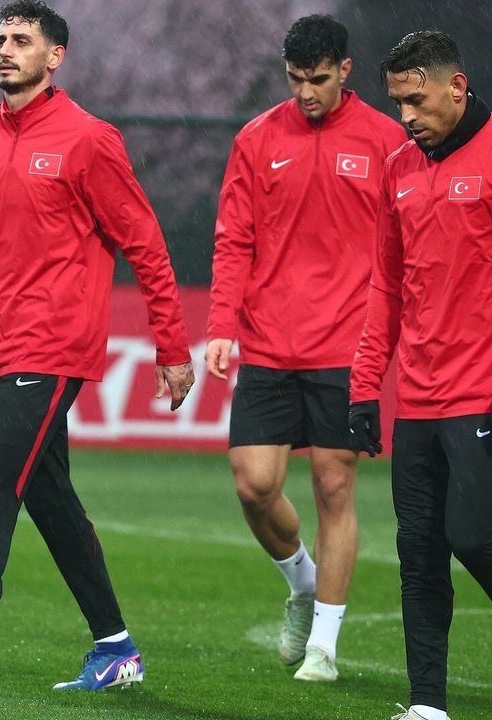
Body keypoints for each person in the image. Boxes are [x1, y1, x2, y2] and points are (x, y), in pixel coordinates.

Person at [0, 0, 194, 695]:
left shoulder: (89, 139)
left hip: (57, 345)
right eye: (1, 38)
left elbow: (144, 243)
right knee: (48, 494)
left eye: (22, 40)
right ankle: (115, 646)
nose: (5, 49)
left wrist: (172, 344)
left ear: (55, 56)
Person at [204, 15, 407, 682]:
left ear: (345, 70)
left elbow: (403, 245)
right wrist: (221, 325)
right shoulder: (257, 138)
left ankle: (323, 644)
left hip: (347, 345)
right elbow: (233, 238)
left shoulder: (386, 141)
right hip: (268, 343)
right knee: (254, 484)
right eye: (295, 80)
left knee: (333, 486)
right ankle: (302, 582)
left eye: (317, 79)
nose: (306, 92)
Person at [351, 30, 492, 720]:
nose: (406, 117)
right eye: (397, 103)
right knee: (420, 554)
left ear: (456, 87)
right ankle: (428, 705)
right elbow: (387, 285)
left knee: (474, 537)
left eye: (417, 100)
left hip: (482, 394)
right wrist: (364, 386)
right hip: (418, 399)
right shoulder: (399, 169)